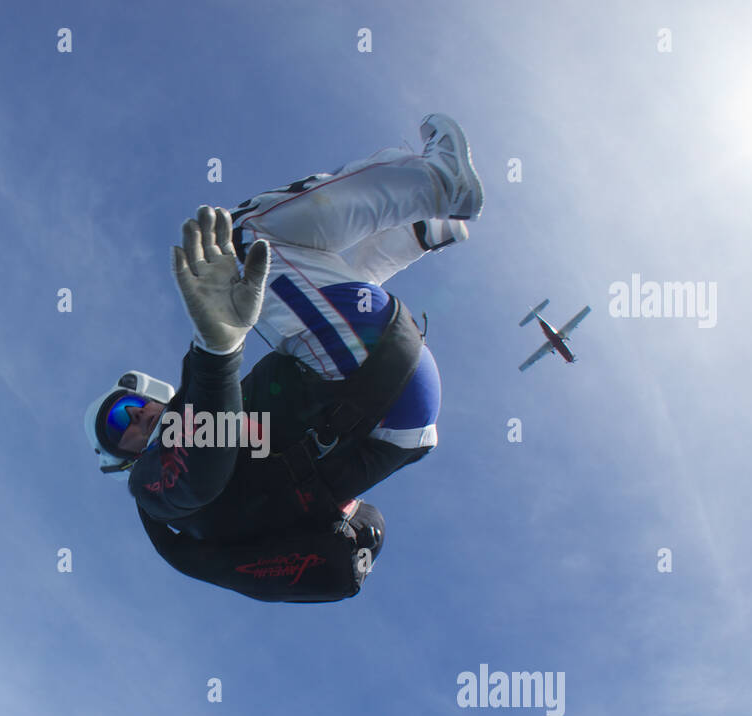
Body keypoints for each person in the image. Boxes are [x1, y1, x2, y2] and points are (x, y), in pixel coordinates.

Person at [85, 113, 483, 581]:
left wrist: (218, 354)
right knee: (242, 240)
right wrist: (216, 348)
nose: (135, 413)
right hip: (371, 394)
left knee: (287, 298)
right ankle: (436, 185)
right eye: (117, 422)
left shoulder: (219, 411)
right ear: (125, 457)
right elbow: (203, 468)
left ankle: (423, 228)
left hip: (385, 395)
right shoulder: (153, 485)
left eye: (130, 403)